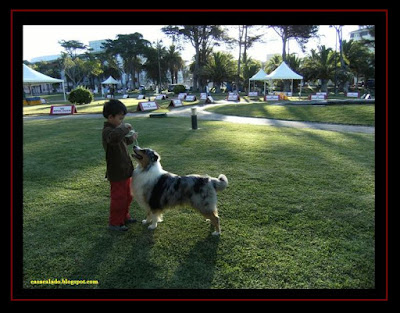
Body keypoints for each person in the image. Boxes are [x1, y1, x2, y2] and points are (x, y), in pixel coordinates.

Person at [102, 99, 138, 231]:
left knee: (128, 196)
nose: (121, 122)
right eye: (120, 118)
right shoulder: (107, 131)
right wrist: (124, 128)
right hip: (117, 172)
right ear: (110, 117)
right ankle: (115, 222)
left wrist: (131, 139)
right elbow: (114, 138)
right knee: (119, 198)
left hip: (125, 170)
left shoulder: (116, 129)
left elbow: (121, 141)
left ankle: (124, 216)